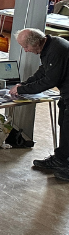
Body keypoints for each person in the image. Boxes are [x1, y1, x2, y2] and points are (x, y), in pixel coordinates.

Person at [10, 29, 69, 180]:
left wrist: (23, 89)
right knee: (64, 125)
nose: (26, 50)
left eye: (26, 47)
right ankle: (60, 159)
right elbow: (43, 71)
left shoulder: (57, 50)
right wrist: (24, 84)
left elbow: (50, 80)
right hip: (66, 94)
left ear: (35, 42)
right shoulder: (49, 46)